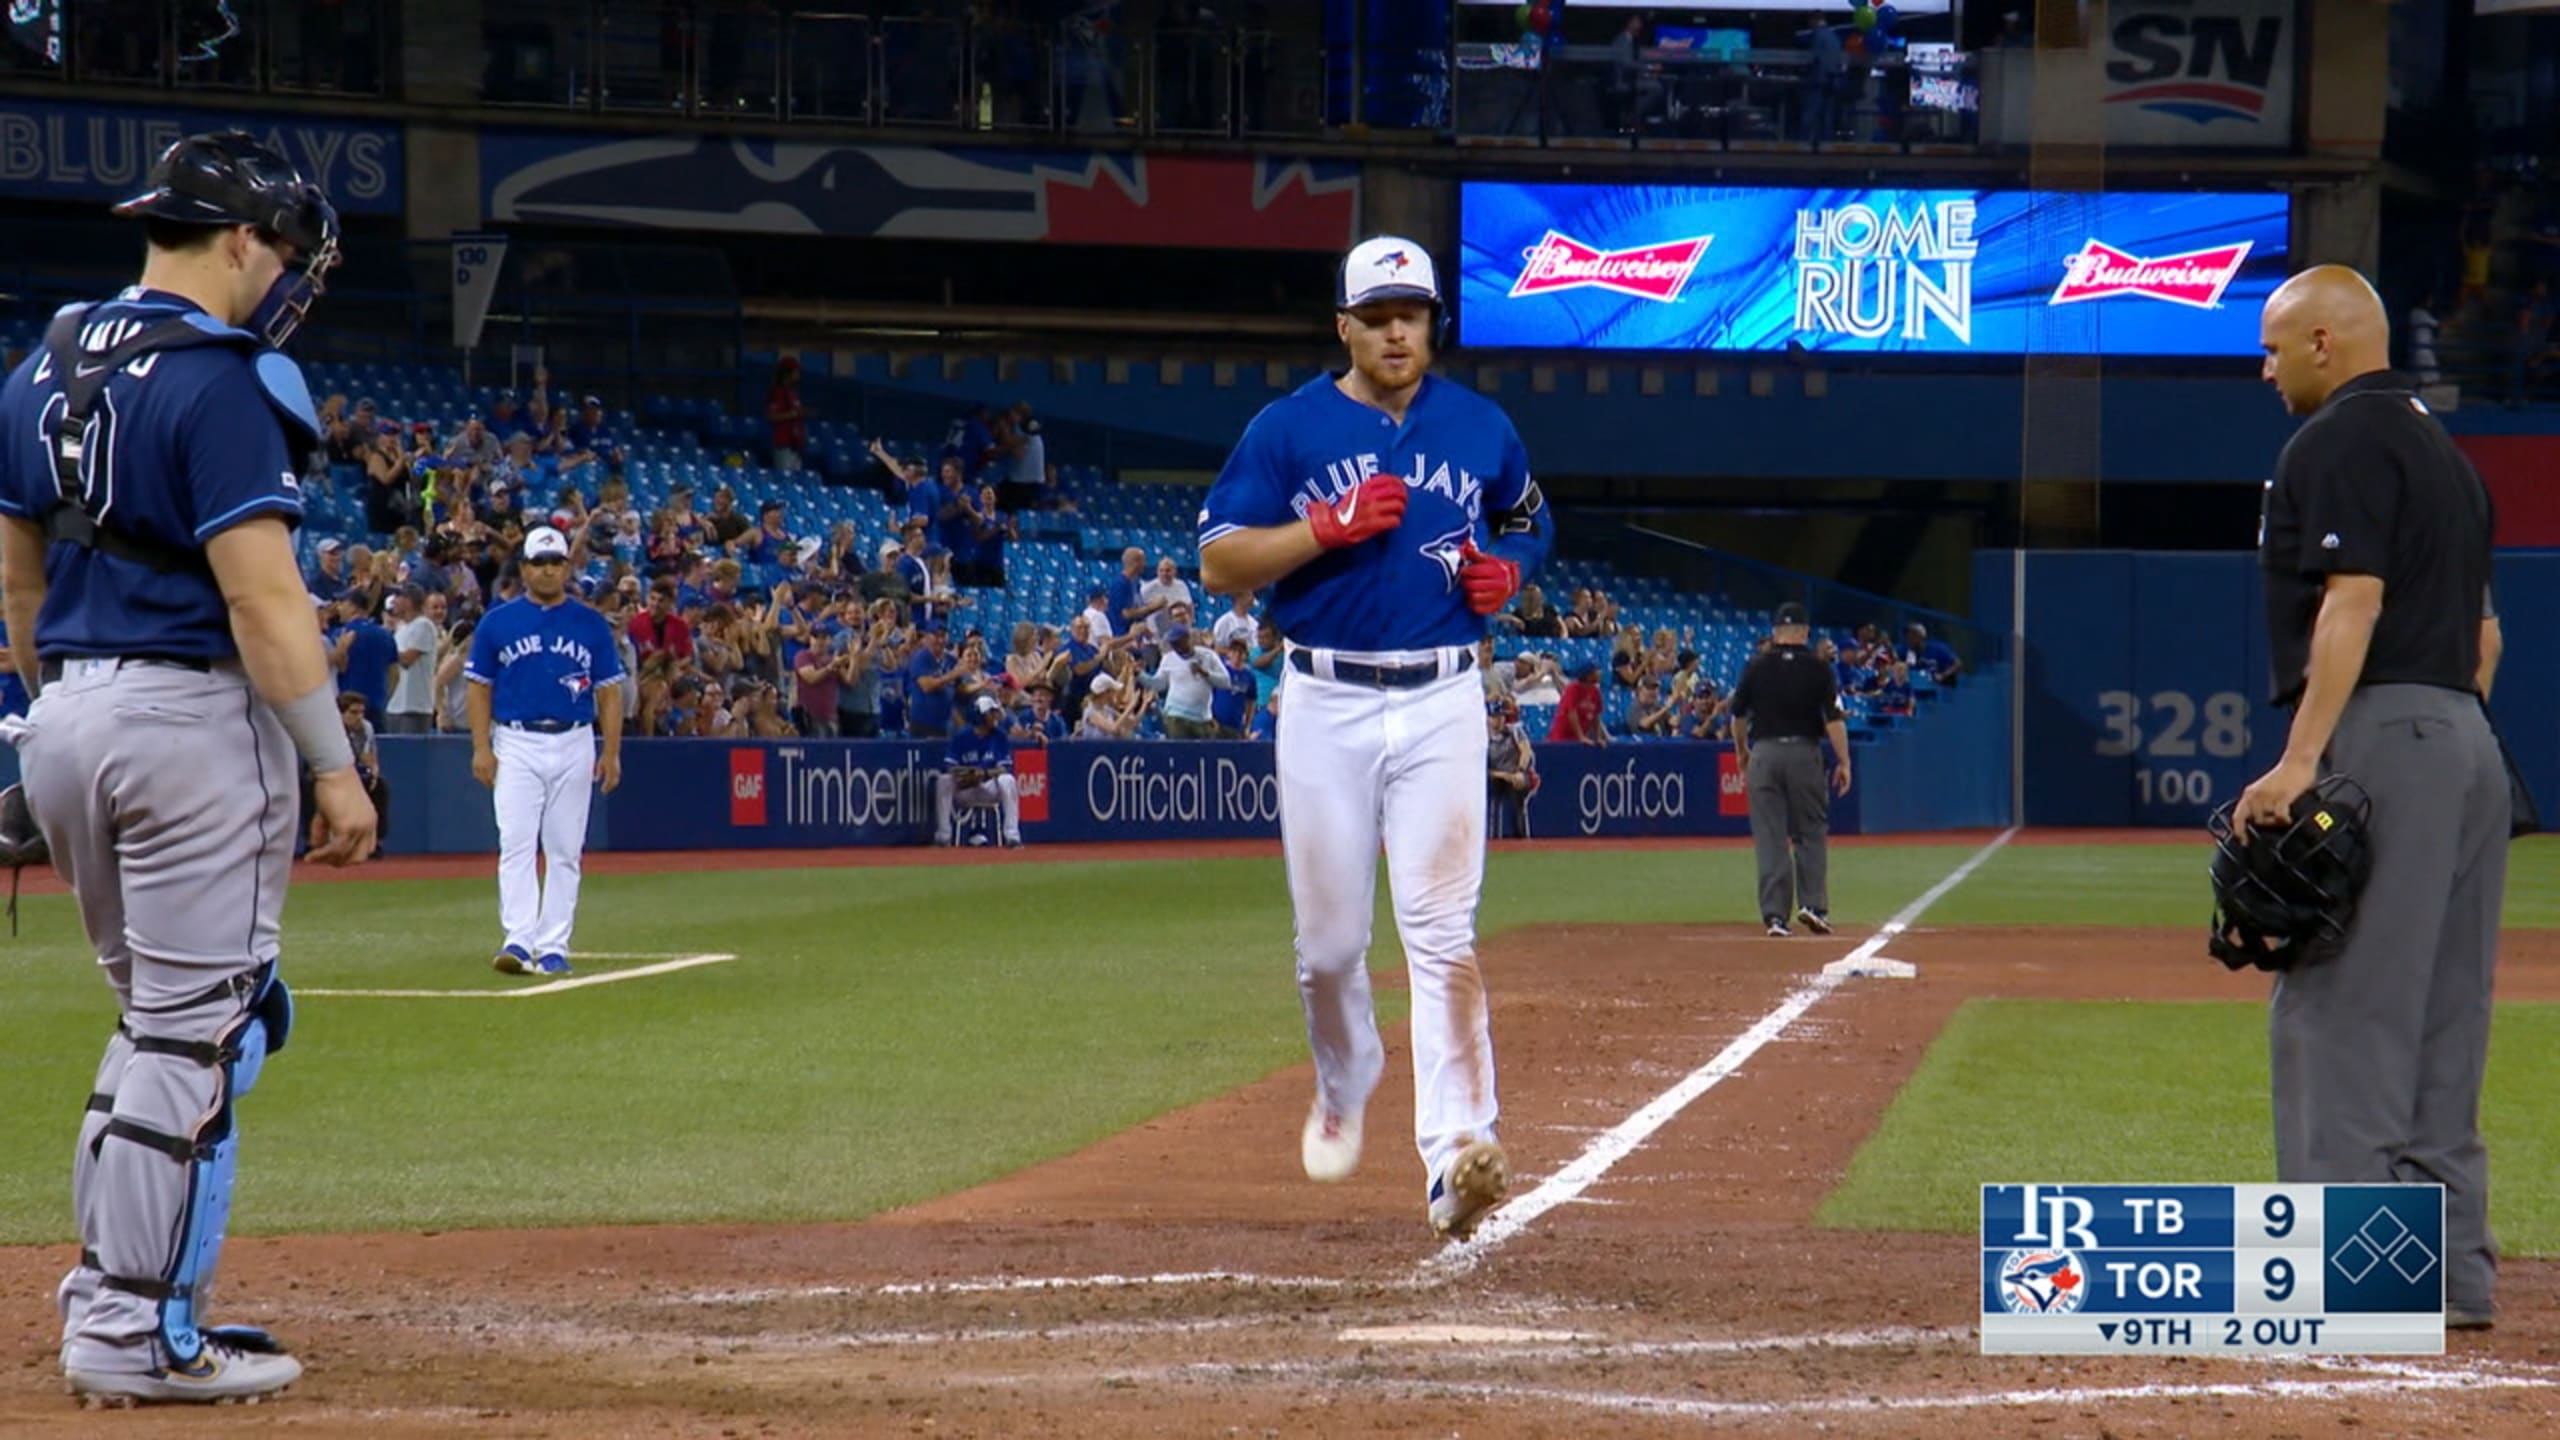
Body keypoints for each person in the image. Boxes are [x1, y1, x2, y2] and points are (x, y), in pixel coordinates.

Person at [0, 129, 369, 1406]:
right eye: (279, 255)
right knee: (195, 1035)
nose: (284, 282)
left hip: (66, 717)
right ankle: (131, 1328)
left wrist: (57, 730)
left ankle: (116, 1282)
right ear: (238, 242)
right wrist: (334, 767)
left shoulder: (38, 366)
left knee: (158, 1028)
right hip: (191, 724)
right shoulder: (225, 376)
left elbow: (19, 585)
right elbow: (265, 605)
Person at [1197, 234, 1551, 1242]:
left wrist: (1511, 572)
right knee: (1330, 948)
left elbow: (1528, 519)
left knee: (1442, 934)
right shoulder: (1289, 428)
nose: (1399, 331)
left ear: (1433, 323)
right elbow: (1222, 562)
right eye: (1379, 315)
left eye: (1415, 313)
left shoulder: (1480, 426)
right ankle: (1345, 1080)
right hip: (1325, 700)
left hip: (1443, 696)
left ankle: (1457, 1156)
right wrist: (1325, 528)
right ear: (1343, 326)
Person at [2236, 264, 2509, 1329]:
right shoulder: (2448, 455)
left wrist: (2305, 758)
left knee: (2342, 1008)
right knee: (2445, 1014)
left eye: (2272, 346)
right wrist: (2444, 738)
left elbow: (2351, 600)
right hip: (2466, 737)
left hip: (2387, 725)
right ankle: (2450, 1277)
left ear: (2322, 343)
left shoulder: (2338, 439)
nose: (2261, 369)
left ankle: (2347, 1283)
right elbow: (2486, 634)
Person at [465, 526, 626, 979]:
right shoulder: (498, 621)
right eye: (540, 562)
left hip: (574, 736)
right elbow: (478, 687)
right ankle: (518, 939)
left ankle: (554, 944)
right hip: (516, 738)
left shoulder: (590, 623)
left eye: (556, 561)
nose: (549, 569)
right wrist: (481, 746)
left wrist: (611, 752)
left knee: (564, 848)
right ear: (524, 568)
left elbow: (610, 692)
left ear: (567, 566)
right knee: (515, 842)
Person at [1729, 601, 1851, 937]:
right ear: (1805, 631)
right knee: (1810, 832)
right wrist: (1845, 761)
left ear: (1775, 631)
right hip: (1804, 752)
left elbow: (1737, 716)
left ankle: (1775, 917)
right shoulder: (1818, 668)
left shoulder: (1756, 666)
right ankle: (1813, 905)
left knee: (1770, 837)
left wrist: (1742, 751)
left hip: (1765, 753)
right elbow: (1834, 720)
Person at [935, 694, 1023, 847]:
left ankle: (1012, 836)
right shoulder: (962, 736)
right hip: (966, 788)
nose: (995, 716)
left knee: (1007, 780)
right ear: (981, 716)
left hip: (989, 788)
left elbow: (1005, 767)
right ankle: (943, 835)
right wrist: (967, 773)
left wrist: (984, 774)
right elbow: (949, 765)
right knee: (943, 780)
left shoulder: (999, 736)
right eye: (991, 713)